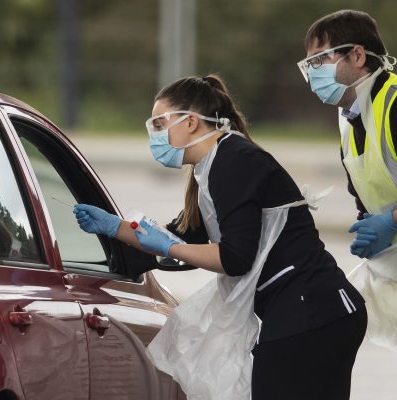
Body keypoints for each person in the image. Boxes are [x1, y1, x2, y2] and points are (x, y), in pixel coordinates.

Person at [73, 75, 367, 400]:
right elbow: (180, 235)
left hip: (310, 313)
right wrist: (115, 227)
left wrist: (171, 246)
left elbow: (234, 258)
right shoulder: (215, 165)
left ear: (191, 122)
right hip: (325, 312)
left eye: (159, 123)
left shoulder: (233, 161)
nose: (154, 135)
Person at [298, 9, 397, 258]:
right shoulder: (349, 118)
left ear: (358, 55)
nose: (312, 73)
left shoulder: (394, 102)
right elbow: (366, 195)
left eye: (319, 59)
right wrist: (368, 227)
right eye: (309, 64)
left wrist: (391, 222)